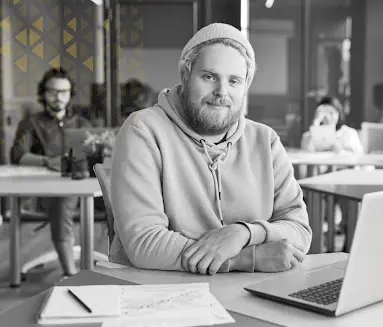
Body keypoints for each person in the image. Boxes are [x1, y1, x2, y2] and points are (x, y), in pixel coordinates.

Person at [110, 23, 312, 275]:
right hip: (158, 292)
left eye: (234, 81)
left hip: (248, 292)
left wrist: (243, 233)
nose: (221, 92)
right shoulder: (143, 130)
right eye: (209, 77)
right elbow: (144, 242)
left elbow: (299, 230)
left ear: (245, 86)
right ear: (185, 75)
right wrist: (246, 258)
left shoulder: (265, 140)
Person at [10, 67, 92, 277]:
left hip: (85, 187)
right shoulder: (31, 124)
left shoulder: (82, 123)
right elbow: (18, 155)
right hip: (47, 191)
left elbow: (95, 155)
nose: (59, 97)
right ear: (43, 93)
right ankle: (72, 275)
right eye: (53, 91)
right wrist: (48, 162)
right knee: (62, 201)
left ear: (70, 94)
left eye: (64, 92)